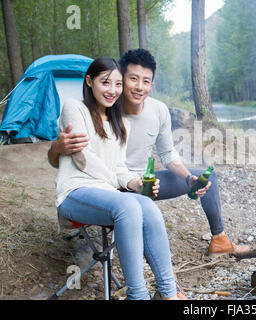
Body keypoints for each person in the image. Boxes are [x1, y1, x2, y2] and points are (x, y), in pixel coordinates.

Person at [48, 49, 250, 256]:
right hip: (111, 185)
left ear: (151, 84)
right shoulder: (104, 105)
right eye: (133, 79)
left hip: (142, 183)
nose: (139, 87)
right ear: (121, 79)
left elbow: (168, 153)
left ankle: (220, 240)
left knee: (209, 177)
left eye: (146, 81)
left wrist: (189, 178)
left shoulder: (159, 110)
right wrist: (56, 147)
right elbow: (66, 159)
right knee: (141, 207)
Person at [55, 56, 182, 300]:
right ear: (90, 81)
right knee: (128, 205)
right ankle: (138, 295)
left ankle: (168, 293)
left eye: (117, 84)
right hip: (75, 191)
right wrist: (118, 184)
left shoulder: (120, 122)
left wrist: (135, 183)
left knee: (146, 204)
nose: (113, 91)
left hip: (108, 194)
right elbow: (82, 158)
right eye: (106, 83)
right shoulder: (75, 107)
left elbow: (119, 167)